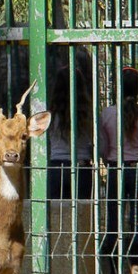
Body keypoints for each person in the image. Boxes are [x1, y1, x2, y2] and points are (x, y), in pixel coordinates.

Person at [99, 67, 138, 274]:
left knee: (114, 222)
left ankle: (113, 273)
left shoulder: (107, 114)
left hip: (116, 170)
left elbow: (102, 149)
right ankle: (137, 270)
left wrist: (109, 161)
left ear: (117, 88)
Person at [47, 47, 96, 200]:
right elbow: (99, 143)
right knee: (82, 216)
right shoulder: (89, 115)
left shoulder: (50, 115)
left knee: (56, 216)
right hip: (81, 167)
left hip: (56, 167)